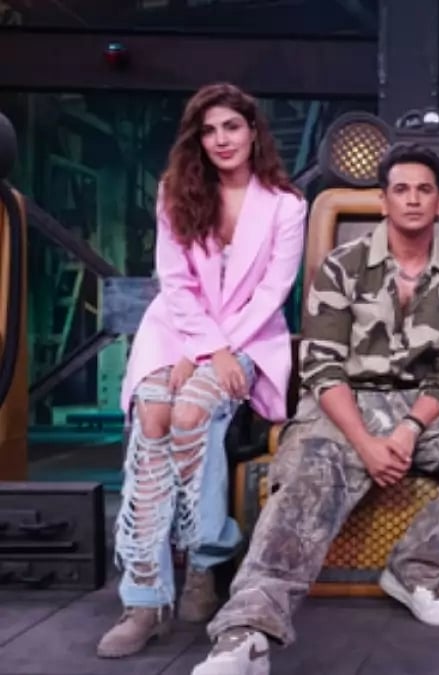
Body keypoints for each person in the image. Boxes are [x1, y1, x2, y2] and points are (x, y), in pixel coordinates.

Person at [190, 143, 439, 675]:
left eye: (424, 190)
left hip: (422, 404)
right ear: (383, 201)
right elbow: (322, 367)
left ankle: (414, 570)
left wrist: (408, 429)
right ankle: (246, 634)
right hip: (345, 401)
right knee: (306, 472)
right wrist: (366, 444)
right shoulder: (342, 267)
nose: (412, 199)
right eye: (401, 189)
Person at [97, 83, 306, 659]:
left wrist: (217, 350)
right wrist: (199, 346)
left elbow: (272, 292)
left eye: (231, 127)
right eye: (209, 130)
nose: (221, 140)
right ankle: (144, 599)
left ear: (253, 132)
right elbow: (175, 281)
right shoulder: (176, 192)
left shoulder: (287, 205)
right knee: (154, 416)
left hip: (247, 335)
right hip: (175, 328)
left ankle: (204, 558)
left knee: (191, 412)